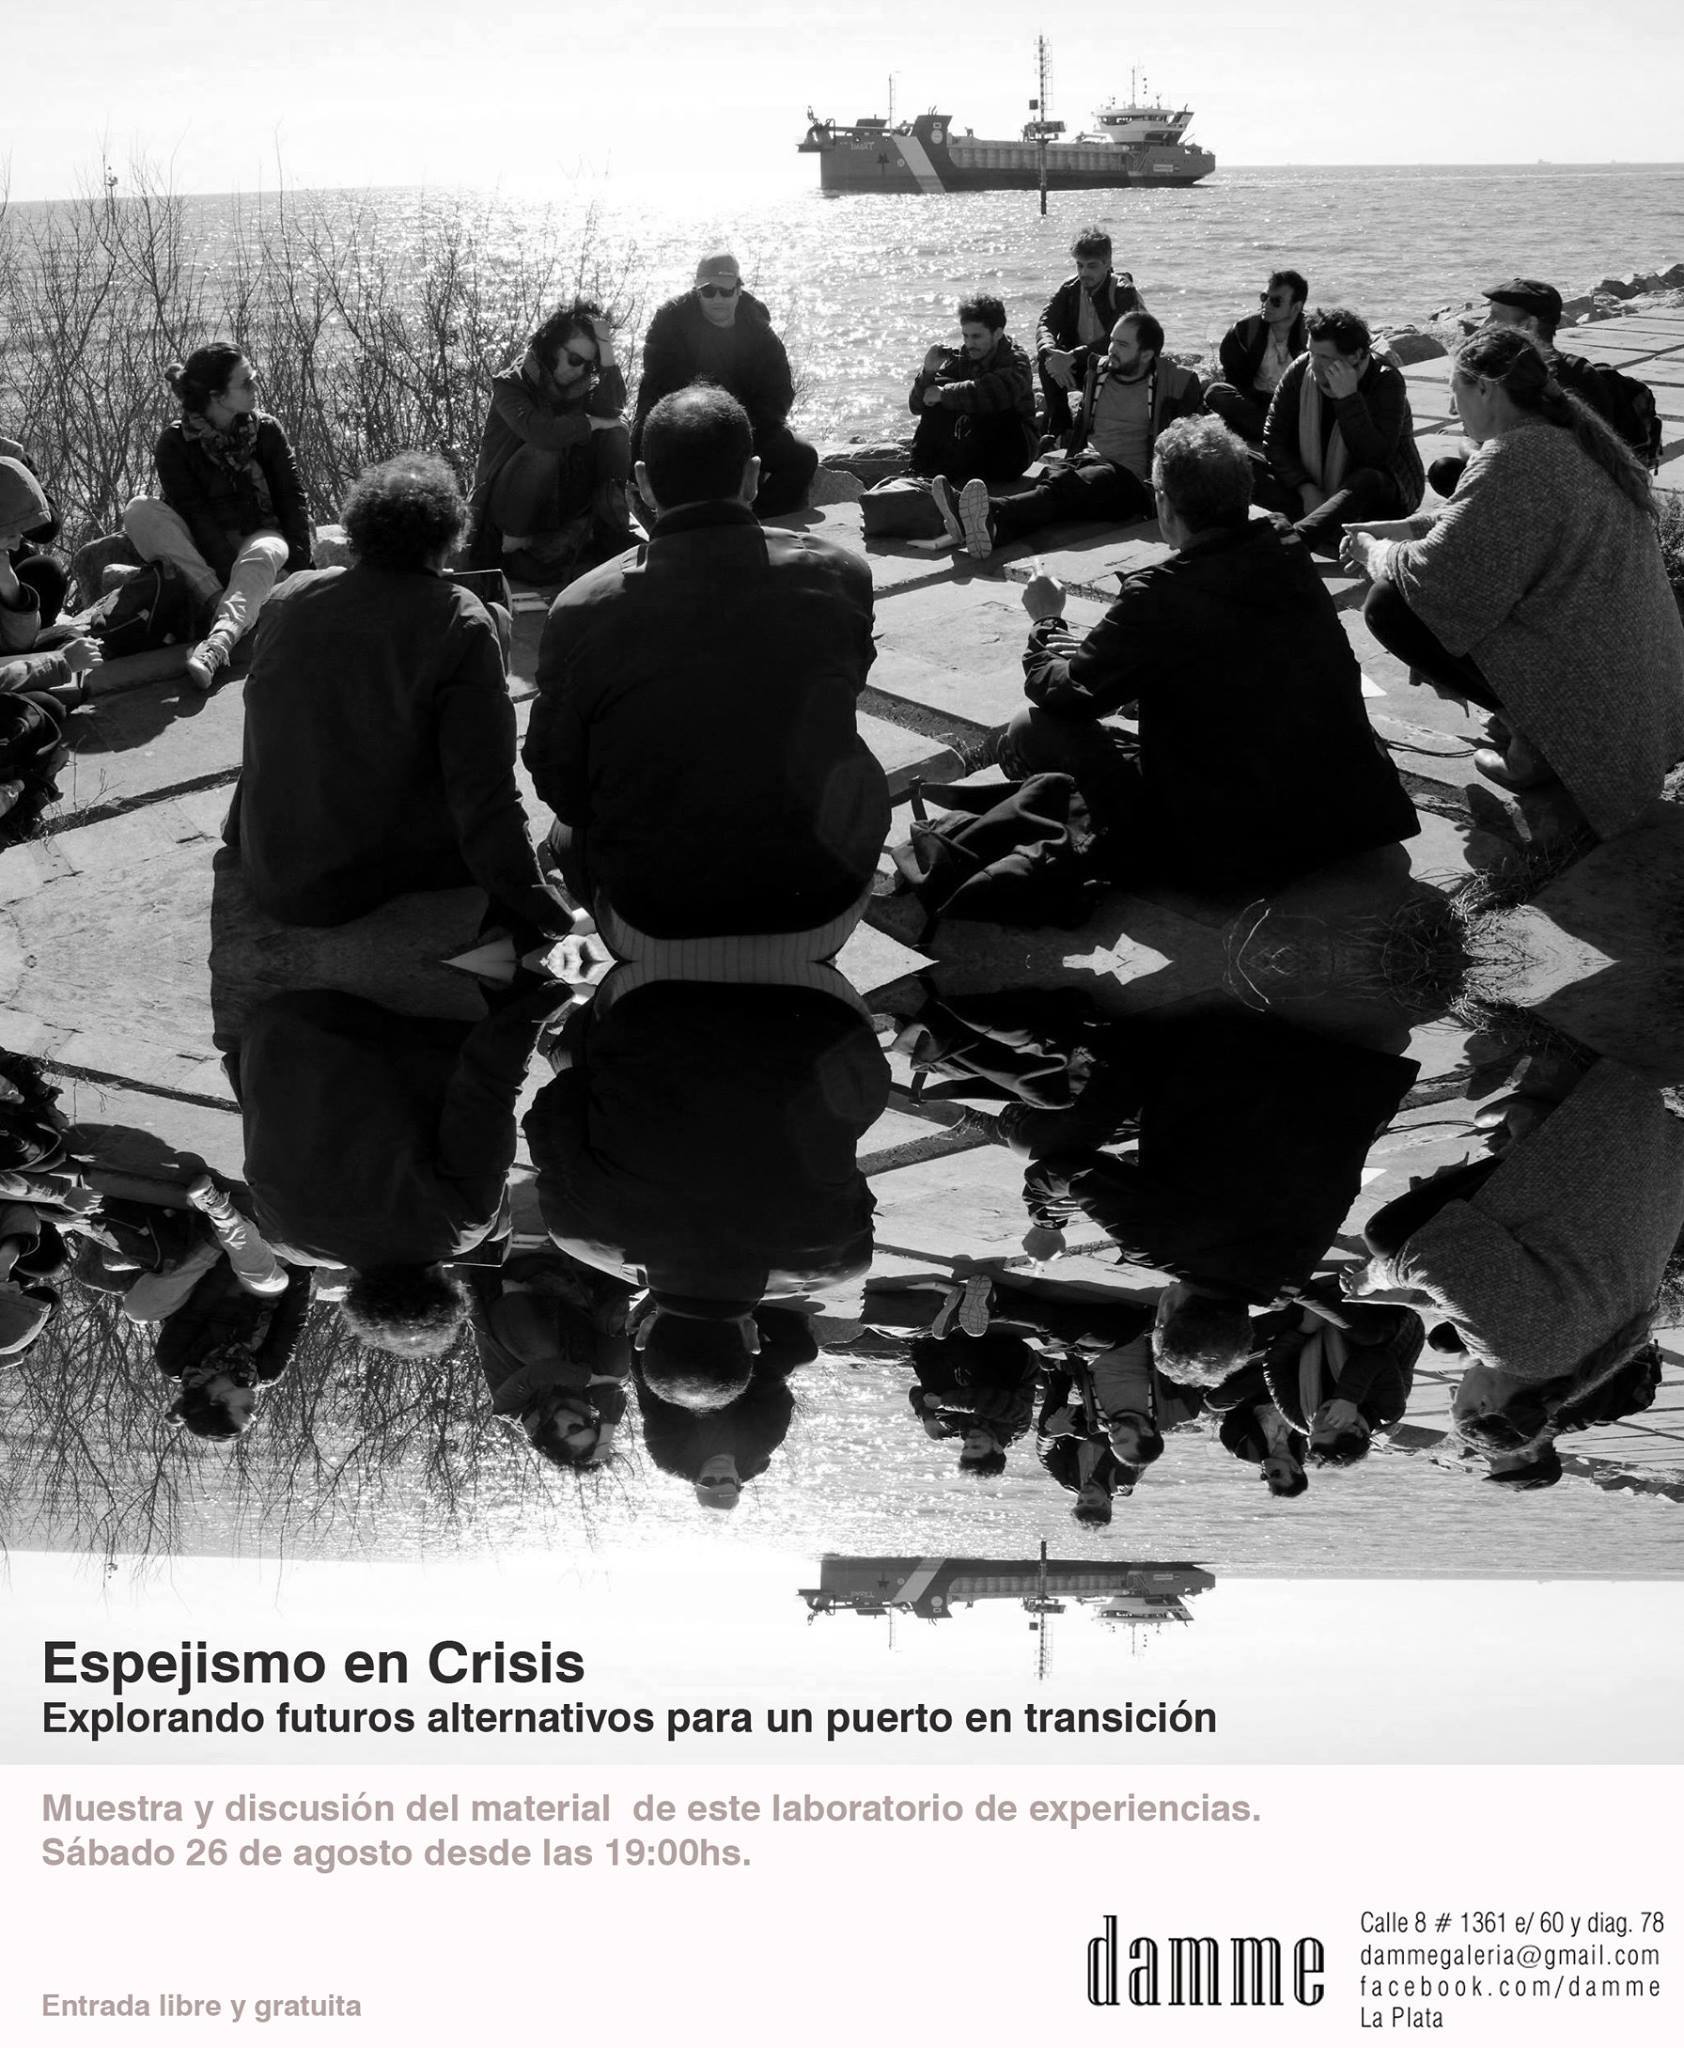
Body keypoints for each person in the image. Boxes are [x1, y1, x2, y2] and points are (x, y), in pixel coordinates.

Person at [525, 385, 890, 946]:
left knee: (566, 833)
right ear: (752, 477)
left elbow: (559, 780)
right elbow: (845, 691)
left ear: (644, 483)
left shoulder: (581, 607)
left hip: (654, 910)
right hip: (824, 895)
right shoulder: (841, 574)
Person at [997, 415, 1420, 890]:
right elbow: (1237, 666)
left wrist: (1045, 621)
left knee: (1029, 728)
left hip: (1233, 849)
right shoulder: (1284, 548)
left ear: (1164, 505)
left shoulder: (1159, 593)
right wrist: (1128, 668)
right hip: (1355, 817)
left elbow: (1066, 695)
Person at [1341, 327, 1684, 835]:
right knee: (1436, 593)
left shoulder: (1512, 455)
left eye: (1456, 393)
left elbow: (1434, 576)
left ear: (1485, 388)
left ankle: (1537, 739)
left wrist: (1374, 551)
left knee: (1390, 603)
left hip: (1594, 687)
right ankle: (1527, 721)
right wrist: (1406, 528)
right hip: (1636, 681)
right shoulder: (1563, 435)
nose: (1453, 410)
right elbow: (1484, 523)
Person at [225, 451, 567, 940]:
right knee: (494, 621)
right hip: (346, 882)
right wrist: (536, 901)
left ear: (358, 533)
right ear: (448, 541)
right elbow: (483, 791)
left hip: (271, 863)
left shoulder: (290, 594)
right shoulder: (459, 619)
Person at [233, 987, 558, 1359]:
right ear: (356, 1295)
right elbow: (263, 1128)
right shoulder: (287, 1241)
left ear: (447, 1286)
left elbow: (485, 1101)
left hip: (383, 1030)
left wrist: (531, 1010)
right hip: (277, 1034)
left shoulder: (461, 1228)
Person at [123, 343, 311, 692]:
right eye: (246, 383)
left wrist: (300, 570)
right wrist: (225, 579)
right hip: (204, 549)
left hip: (258, 535)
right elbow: (195, 515)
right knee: (139, 510)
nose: (256, 387)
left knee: (265, 550)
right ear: (217, 396)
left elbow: (292, 499)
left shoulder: (267, 430)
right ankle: (222, 604)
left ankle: (219, 640)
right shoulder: (175, 443)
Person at [944, 312, 1202, 559]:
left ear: (1146, 354)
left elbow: (1189, 443)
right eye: (1112, 340)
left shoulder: (1173, 385)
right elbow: (1053, 365)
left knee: (1064, 487)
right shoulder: (1099, 372)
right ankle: (990, 530)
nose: (1111, 348)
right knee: (1049, 481)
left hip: (1130, 480)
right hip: (1088, 460)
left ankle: (987, 511)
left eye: (1122, 344)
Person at [1428, 278, 1663, 495]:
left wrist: (1505, 465)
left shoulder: (1580, 378)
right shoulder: (1495, 374)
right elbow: (1470, 438)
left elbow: (1595, 454)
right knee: (1444, 470)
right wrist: (1478, 457)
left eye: (1495, 316)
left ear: (1528, 325)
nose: (1485, 324)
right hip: (1507, 466)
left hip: (1563, 485)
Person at [632, 252, 817, 517]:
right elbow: (661, 388)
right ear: (697, 290)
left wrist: (743, 431)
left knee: (802, 458)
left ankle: (756, 521)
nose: (717, 298)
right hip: (681, 427)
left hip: (744, 427)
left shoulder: (757, 327)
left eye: (726, 291)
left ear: (739, 290)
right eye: (708, 291)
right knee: (657, 463)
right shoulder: (670, 326)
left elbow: (779, 391)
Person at [466, 299, 632, 584]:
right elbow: (542, 433)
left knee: (615, 434)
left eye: (589, 365)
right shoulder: (511, 385)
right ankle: (514, 549)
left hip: (561, 500)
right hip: (508, 510)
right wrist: (591, 422)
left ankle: (608, 528)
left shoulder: (581, 387)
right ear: (553, 346)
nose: (579, 371)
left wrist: (606, 348)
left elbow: (613, 409)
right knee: (544, 450)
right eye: (575, 359)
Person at [1256, 306, 1424, 557]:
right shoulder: (1302, 369)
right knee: (1236, 461)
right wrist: (1305, 487)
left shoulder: (1385, 380)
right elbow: (1274, 439)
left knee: (1368, 478)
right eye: (1312, 352)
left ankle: (1297, 541)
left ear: (1356, 355)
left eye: (1325, 357)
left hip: (1374, 496)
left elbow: (1375, 456)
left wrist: (1348, 399)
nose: (1315, 365)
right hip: (1312, 491)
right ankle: (1325, 524)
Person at [469, 1253, 635, 1469]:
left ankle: (520, 1277)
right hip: (571, 1312)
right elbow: (614, 1391)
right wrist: (608, 1427)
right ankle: (612, 1288)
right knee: (615, 1373)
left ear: (551, 1436)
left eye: (575, 1428)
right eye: (589, 1424)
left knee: (543, 1356)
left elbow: (537, 1373)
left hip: (509, 1305)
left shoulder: (511, 1409)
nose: (581, 1419)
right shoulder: (583, 1408)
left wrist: (588, 1378)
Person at [907, 294, 1038, 484]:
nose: (969, 343)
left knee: (976, 402)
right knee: (940, 389)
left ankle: (953, 478)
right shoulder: (965, 356)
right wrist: (928, 372)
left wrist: (944, 394)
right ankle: (920, 472)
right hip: (976, 451)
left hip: (1013, 451)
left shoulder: (1015, 360)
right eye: (965, 336)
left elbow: (993, 393)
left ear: (997, 333)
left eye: (976, 336)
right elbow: (917, 406)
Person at [1035, 228, 1148, 437]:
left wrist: (1072, 357)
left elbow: (1120, 340)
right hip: (1082, 363)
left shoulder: (1123, 291)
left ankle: (1091, 427)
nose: (1084, 272)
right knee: (1047, 359)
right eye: (1080, 265)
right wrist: (1050, 351)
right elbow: (1045, 323)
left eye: (1092, 266)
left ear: (1107, 263)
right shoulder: (1070, 289)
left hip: (1118, 363)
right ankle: (1060, 428)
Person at [1204, 269, 1309, 441]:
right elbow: (1233, 377)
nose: (1266, 304)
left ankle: (1265, 431)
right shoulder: (1244, 330)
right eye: (1264, 297)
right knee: (1215, 392)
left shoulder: (1311, 334)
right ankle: (1273, 432)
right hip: (1255, 401)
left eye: (1276, 301)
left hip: (1293, 406)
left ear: (1296, 307)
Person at [0, 440, 68, 628]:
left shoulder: (10, 456)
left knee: (46, 572)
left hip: (6, 561)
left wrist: (15, 477)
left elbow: (47, 529)